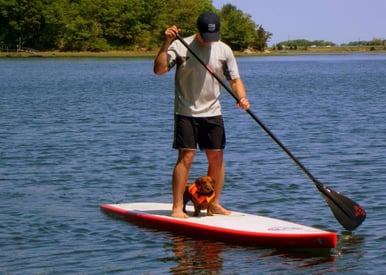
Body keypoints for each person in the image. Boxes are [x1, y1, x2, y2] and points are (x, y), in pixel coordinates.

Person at [153, 11, 250, 218]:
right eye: (206, 36)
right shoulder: (180, 45)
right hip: (186, 110)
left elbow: (235, 80)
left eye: (213, 37)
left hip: (213, 112)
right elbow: (159, 70)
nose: (209, 41)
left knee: (217, 158)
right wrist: (166, 43)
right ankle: (177, 207)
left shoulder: (224, 50)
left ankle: (213, 204)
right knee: (186, 156)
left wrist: (242, 98)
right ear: (198, 31)